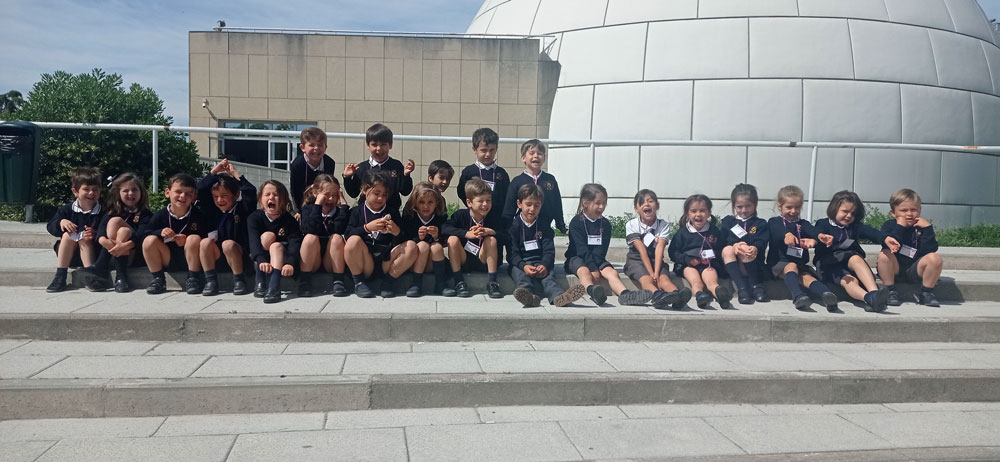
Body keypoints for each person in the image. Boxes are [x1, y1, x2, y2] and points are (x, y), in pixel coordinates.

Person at [814, 190, 901, 313]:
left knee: (855, 258)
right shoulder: (823, 224)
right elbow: (816, 232)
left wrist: (886, 239)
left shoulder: (854, 226)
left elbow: (872, 232)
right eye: (845, 211)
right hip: (830, 265)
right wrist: (819, 237)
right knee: (850, 280)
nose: (849, 216)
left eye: (852, 213)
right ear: (834, 209)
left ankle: (874, 293)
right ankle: (869, 298)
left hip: (850, 261)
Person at [566, 183, 652, 306]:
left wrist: (596, 267)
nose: (601, 207)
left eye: (604, 203)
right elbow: (581, 250)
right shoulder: (576, 223)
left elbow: (601, 250)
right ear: (585, 203)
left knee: (612, 273)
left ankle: (625, 294)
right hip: (577, 258)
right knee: (584, 271)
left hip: (598, 258)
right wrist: (593, 269)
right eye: (597, 203)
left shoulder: (605, 224)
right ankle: (592, 291)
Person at [509, 184, 586, 308]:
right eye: (528, 204)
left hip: (541, 262)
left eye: (537, 205)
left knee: (548, 279)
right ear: (519, 204)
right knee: (521, 277)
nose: (532, 209)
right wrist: (523, 266)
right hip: (521, 263)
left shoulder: (544, 226)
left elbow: (549, 251)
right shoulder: (514, 226)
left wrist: (544, 265)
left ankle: (559, 297)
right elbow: (513, 254)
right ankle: (528, 296)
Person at [344, 170, 418, 298]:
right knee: (353, 241)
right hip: (365, 262)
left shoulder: (392, 213)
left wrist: (397, 232)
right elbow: (347, 234)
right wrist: (366, 228)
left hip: (386, 261)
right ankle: (359, 283)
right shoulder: (356, 211)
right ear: (364, 190)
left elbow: (403, 239)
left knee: (411, 246)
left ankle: (388, 283)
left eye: (384, 195)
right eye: (376, 193)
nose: (380, 198)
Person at [765, 185, 839, 312]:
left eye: (797, 207)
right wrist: (787, 235)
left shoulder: (803, 224)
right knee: (791, 266)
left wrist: (818, 238)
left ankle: (826, 295)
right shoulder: (774, 221)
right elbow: (777, 231)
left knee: (807, 277)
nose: (793, 211)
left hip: (799, 264)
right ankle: (798, 296)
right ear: (780, 206)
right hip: (779, 263)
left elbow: (813, 231)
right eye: (789, 207)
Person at [623, 189, 691, 310]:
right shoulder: (631, 224)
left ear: (657, 206)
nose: (646, 204)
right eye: (642, 203)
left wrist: (657, 271)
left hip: (656, 259)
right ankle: (657, 295)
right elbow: (641, 250)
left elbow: (660, 248)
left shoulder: (663, 225)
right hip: (636, 259)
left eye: (650, 201)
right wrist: (652, 273)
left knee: (664, 278)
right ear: (636, 209)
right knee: (646, 279)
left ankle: (677, 295)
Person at [197, 160, 257, 296]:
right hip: (218, 257)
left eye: (224, 196)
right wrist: (214, 172)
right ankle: (211, 281)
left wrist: (235, 174)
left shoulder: (243, 209)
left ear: (236, 195)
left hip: (239, 256)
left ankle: (239, 280)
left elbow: (250, 191)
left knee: (228, 244)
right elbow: (200, 190)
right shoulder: (211, 210)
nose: (219, 200)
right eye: (215, 197)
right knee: (205, 242)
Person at [84, 172, 150, 293]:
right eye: (126, 191)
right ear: (118, 193)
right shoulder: (112, 211)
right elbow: (100, 234)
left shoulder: (146, 214)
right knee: (118, 225)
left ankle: (101, 267)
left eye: (134, 190)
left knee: (120, 226)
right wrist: (107, 243)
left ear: (141, 192)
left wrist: (125, 245)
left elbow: (141, 236)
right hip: (113, 252)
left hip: (133, 254)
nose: (131, 193)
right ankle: (121, 278)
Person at [140, 173, 206, 295]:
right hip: (167, 258)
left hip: (192, 258)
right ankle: (158, 279)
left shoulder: (199, 215)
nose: (183, 196)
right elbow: (144, 235)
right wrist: (160, 233)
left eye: (188, 193)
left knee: (194, 238)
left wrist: (187, 240)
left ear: (194, 197)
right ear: (167, 193)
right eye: (178, 192)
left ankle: (193, 278)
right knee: (149, 240)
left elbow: (207, 238)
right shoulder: (160, 215)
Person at [877, 188, 943, 307]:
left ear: (919, 210)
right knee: (884, 254)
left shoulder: (922, 227)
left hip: (915, 268)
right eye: (903, 210)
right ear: (893, 213)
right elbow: (887, 244)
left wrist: (928, 229)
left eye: (913, 210)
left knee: (935, 258)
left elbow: (930, 249)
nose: (909, 214)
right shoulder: (889, 225)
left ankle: (926, 293)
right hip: (894, 268)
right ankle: (890, 291)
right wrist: (900, 227)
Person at [46, 167, 105, 292]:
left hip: (93, 254)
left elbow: (106, 230)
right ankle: (60, 276)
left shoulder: (103, 211)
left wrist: (95, 234)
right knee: (67, 235)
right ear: (75, 191)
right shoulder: (66, 210)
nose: (91, 193)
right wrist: (61, 222)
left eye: (95, 189)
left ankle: (91, 276)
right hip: (70, 255)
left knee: (84, 237)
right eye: (86, 189)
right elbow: (50, 227)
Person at [668, 194, 732, 309]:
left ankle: (720, 294)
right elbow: (673, 252)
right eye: (694, 211)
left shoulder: (714, 231)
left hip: (709, 264)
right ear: (687, 213)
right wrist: (688, 260)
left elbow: (720, 249)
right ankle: (700, 295)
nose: (698, 214)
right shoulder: (682, 233)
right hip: (688, 265)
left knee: (711, 281)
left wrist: (711, 258)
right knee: (696, 281)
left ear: (709, 213)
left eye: (702, 211)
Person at [456, 128, 510, 260]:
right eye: (483, 150)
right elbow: (462, 192)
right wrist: (476, 209)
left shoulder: (501, 174)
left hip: (494, 220)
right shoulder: (468, 172)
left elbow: (505, 197)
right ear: (475, 149)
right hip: (474, 219)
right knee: (471, 253)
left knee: (493, 251)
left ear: (496, 148)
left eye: (491, 150)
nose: (487, 154)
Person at [442, 178, 502, 298]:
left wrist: (491, 231)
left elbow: (507, 235)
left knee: (491, 240)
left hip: (483, 259)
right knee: (452, 239)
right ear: (469, 202)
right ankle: (459, 281)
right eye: (480, 201)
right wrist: (466, 234)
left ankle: (492, 282)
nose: (485, 204)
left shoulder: (493, 217)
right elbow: (444, 228)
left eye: (488, 200)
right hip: (464, 259)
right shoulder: (460, 215)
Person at [247, 180, 302, 303]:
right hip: (261, 258)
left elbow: (295, 243)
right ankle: (260, 280)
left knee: (276, 246)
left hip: (282, 257)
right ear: (260, 199)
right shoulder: (254, 217)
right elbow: (253, 240)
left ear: (283, 200)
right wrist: (260, 259)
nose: (271, 197)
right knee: (267, 236)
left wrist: (290, 262)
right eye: (267, 194)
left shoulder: (290, 221)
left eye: (276, 195)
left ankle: (274, 287)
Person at [343, 123, 415, 213]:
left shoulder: (396, 166)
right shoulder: (362, 167)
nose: (379, 148)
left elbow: (405, 191)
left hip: (391, 213)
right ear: (368, 145)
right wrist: (347, 178)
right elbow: (353, 193)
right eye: (374, 144)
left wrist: (406, 175)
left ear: (390, 145)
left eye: (383, 144)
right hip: (366, 214)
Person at [298, 174, 350, 297]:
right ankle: (305, 282)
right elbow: (310, 228)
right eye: (326, 195)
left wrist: (344, 206)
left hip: (330, 261)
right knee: (310, 237)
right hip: (313, 260)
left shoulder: (340, 212)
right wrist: (317, 205)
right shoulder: (308, 210)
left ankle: (338, 281)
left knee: (336, 237)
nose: (331, 199)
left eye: (335, 195)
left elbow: (339, 229)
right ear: (316, 193)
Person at [502, 139, 567, 234]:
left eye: (540, 153)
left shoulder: (550, 180)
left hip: (544, 229)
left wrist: (561, 226)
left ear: (544, 158)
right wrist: (506, 230)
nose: (536, 156)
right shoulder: (517, 182)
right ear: (523, 158)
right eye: (532, 153)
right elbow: (509, 209)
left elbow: (557, 204)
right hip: (522, 230)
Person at [720, 184, 770, 305]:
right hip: (733, 265)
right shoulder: (728, 222)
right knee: (727, 249)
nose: (744, 210)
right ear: (734, 205)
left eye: (748, 206)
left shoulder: (760, 223)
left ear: (755, 204)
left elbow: (762, 240)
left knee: (746, 250)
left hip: (753, 264)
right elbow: (724, 239)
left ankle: (756, 284)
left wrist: (755, 247)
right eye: (739, 206)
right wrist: (735, 245)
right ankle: (742, 289)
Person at [399, 182, 449, 297]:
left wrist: (436, 236)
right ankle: (416, 283)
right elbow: (403, 239)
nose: (426, 206)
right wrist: (418, 238)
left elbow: (445, 239)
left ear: (436, 203)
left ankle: (441, 284)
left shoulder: (440, 217)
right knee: (423, 245)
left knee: (436, 247)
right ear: (415, 202)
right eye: (421, 202)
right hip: (414, 262)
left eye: (430, 202)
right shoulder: (409, 217)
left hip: (432, 263)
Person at [289, 127, 336, 211]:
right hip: (303, 203)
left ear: (325, 147)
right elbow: (295, 191)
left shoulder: (329, 163)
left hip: (323, 204)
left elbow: (328, 187)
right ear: (302, 147)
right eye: (311, 145)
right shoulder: (297, 165)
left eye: (320, 145)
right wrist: (299, 211)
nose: (316, 148)